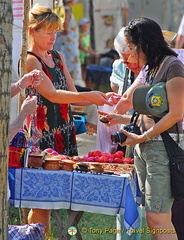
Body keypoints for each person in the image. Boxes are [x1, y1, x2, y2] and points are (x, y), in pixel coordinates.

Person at [25, 4, 112, 237]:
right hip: (42, 136)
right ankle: (37, 234)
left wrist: (104, 98)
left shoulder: (58, 56)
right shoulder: (31, 60)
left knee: (60, 196)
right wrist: (90, 96)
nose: (54, 37)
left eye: (56, 31)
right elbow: (52, 94)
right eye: (48, 32)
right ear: (32, 31)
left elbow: (73, 98)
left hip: (64, 131)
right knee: (41, 199)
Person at [99, 17, 184, 240]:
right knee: (154, 217)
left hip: (162, 148)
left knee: (158, 218)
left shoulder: (173, 66)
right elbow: (150, 113)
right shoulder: (153, 67)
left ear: (144, 43)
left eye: (130, 45)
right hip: (148, 148)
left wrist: (142, 137)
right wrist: (118, 118)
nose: (128, 51)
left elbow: (176, 113)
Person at [54, 0, 82, 83]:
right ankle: (72, 80)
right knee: (70, 59)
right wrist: (66, 30)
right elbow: (65, 22)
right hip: (68, 41)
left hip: (65, 40)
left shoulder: (60, 9)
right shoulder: (66, 9)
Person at [78, 17, 96, 82]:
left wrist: (91, 51)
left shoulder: (87, 35)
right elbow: (80, 46)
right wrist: (89, 51)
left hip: (86, 55)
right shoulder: (78, 35)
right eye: (84, 26)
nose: (86, 28)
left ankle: (84, 81)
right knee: (80, 68)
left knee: (84, 69)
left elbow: (88, 46)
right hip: (81, 54)